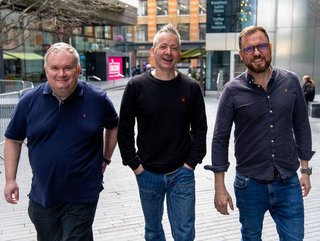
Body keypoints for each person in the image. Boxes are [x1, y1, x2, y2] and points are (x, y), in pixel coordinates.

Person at [204, 26, 315, 240]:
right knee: (251, 236)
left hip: (288, 183)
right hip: (249, 185)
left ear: (270, 48)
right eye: (249, 49)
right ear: (241, 54)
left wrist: (305, 171)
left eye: (261, 46)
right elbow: (220, 139)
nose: (257, 53)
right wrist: (220, 187)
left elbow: (301, 126)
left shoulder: (291, 81)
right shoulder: (232, 91)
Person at [3, 42, 118, 241]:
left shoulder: (97, 99)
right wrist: (10, 179)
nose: (61, 74)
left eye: (68, 67)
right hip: (43, 195)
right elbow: (13, 139)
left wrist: (106, 159)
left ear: (78, 69)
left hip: (83, 193)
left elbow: (114, 125)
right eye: (55, 68)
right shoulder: (28, 101)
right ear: (46, 70)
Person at [117, 24, 207, 241]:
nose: (169, 52)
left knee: (185, 234)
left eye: (174, 48)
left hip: (181, 174)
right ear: (153, 51)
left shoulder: (191, 87)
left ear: (179, 53)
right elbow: (125, 129)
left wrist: (190, 163)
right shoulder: (136, 86)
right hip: (147, 173)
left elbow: (200, 129)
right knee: (153, 231)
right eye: (164, 46)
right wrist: (135, 165)